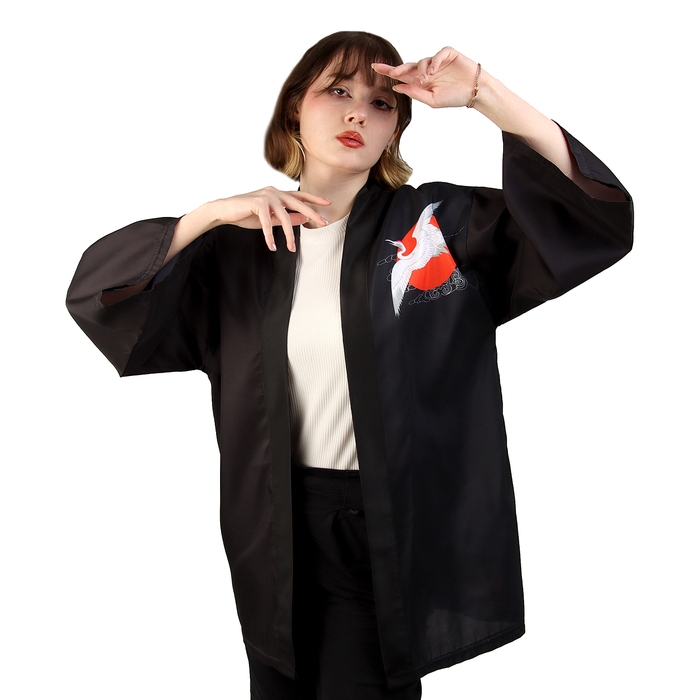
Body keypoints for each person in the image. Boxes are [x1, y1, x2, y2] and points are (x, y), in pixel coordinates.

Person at [66, 31, 633, 700]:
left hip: (387, 525)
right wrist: (210, 215)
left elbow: (591, 220)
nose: (358, 112)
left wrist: (485, 93)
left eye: (382, 103)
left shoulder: (435, 229)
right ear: (294, 110)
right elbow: (100, 295)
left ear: (396, 130)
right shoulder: (240, 248)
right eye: (337, 91)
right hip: (272, 525)